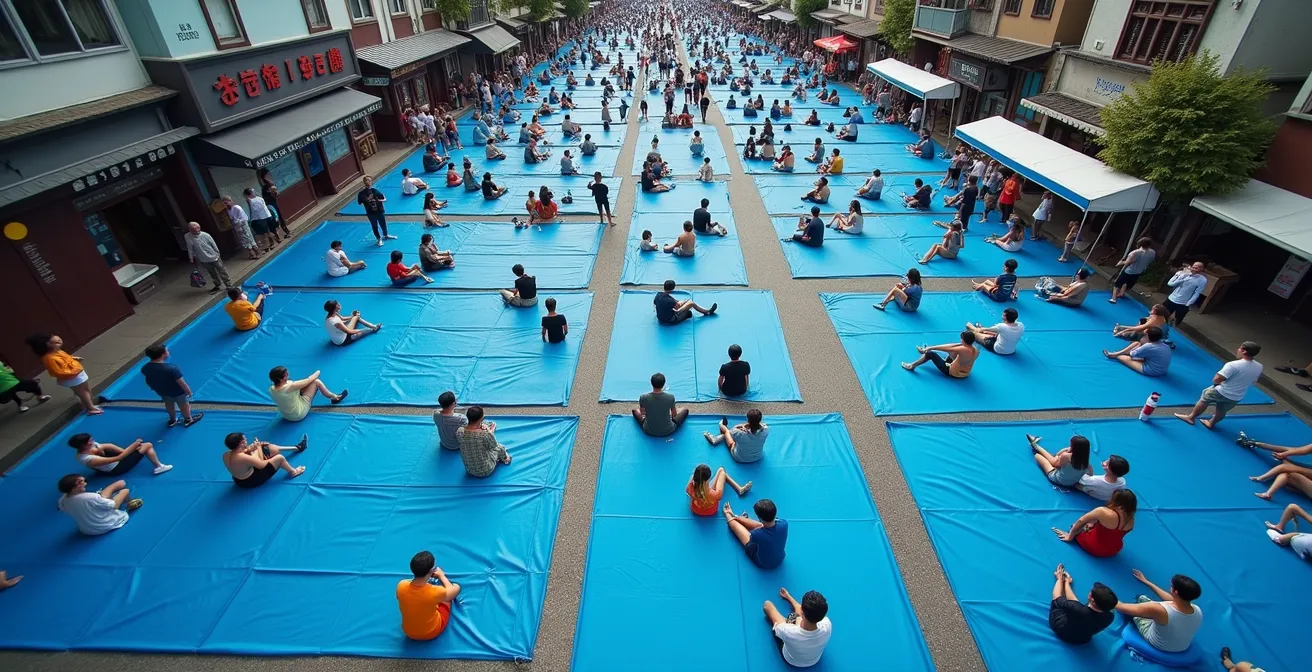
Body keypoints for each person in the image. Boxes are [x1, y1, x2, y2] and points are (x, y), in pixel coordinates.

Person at [1175, 341, 1262, 429]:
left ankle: (1191, 418)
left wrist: (1217, 384)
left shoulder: (1233, 365)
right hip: (1237, 396)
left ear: (1244, 351)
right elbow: (1253, 381)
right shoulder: (1259, 366)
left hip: (1222, 391)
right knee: (1222, 410)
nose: (1238, 350)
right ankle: (1211, 423)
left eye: (1240, 348)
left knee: (1204, 399)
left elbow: (1217, 379)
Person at [1114, 571, 1203, 654]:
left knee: (1133, 611)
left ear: (1175, 592)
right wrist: (1147, 582)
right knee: (1142, 598)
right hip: (1182, 646)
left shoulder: (1159, 610)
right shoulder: (1197, 609)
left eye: (1171, 585)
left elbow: (1121, 607)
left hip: (1160, 645)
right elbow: (1171, 599)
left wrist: (1103, 595)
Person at [26, 332, 100, 415]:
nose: (59, 343)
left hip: (75, 373)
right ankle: (90, 408)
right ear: (48, 345)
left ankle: (86, 403)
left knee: (84, 390)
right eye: (56, 342)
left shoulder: (56, 351)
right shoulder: (50, 358)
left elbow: (65, 357)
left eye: (59, 341)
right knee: (84, 391)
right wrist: (74, 371)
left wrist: (73, 359)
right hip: (72, 376)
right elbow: (58, 371)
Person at [397, 550, 461, 642]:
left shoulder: (401, 585)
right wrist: (442, 576)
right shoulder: (435, 591)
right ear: (431, 571)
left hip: (409, 632)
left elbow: (409, 588)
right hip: (431, 632)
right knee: (447, 598)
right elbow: (454, 591)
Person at [1053, 489, 1137, 557]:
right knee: (1092, 524)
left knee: (1076, 526)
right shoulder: (1131, 519)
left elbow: (1080, 521)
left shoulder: (1102, 511)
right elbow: (1113, 533)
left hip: (1094, 546)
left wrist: (1070, 537)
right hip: (1114, 549)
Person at [1047, 563, 1117, 645]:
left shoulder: (1077, 609)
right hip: (1082, 639)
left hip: (1061, 630)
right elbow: (1076, 605)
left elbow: (1057, 597)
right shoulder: (1110, 617)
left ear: (1091, 598)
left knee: (1056, 604)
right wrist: (1067, 583)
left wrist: (1060, 579)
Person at [764, 588, 832, 667]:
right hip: (814, 660)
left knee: (768, 605)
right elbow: (805, 612)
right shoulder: (827, 625)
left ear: (802, 613)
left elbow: (777, 628)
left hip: (791, 660)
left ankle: (790, 620)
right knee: (798, 618)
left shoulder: (788, 631)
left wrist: (793, 622)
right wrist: (788, 596)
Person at [56, 474, 142, 535]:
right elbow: (114, 505)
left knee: (104, 496)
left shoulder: (62, 500)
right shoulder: (90, 497)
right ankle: (130, 502)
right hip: (107, 525)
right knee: (125, 491)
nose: (84, 483)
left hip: (87, 530)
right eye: (81, 482)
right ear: (74, 488)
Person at [140, 344, 201, 428]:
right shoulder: (172, 368)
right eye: (167, 350)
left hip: (162, 392)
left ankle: (172, 419)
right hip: (178, 392)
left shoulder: (145, 368)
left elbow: (148, 380)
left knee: (169, 404)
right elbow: (181, 383)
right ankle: (188, 419)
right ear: (163, 354)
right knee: (184, 405)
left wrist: (155, 388)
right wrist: (188, 392)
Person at [223, 432, 307, 486]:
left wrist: (252, 449)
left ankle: (297, 448)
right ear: (241, 444)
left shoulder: (226, 454)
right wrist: (258, 447)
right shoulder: (243, 457)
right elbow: (262, 465)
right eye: (245, 440)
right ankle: (293, 472)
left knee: (267, 448)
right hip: (250, 481)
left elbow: (244, 454)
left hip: (240, 478)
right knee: (279, 458)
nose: (246, 440)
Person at [723, 498, 788, 569]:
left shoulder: (756, 534)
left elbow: (756, 533)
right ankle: (736, 517)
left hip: (763, 564)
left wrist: (731, 516)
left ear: (759, 518)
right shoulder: (784, 523)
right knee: (766, 526)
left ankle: (728, 514)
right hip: (780, 558)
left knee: (749, 543)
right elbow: (764, 525)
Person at [69, 432, 171, 476]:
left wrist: (129, 449)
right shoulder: (88, 459)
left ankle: (133, 451)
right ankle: (159, 466)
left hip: (108, 462)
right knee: (148, 445)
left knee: (137, 447)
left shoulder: (92, 446)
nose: (92, 441)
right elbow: (120, 457)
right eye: (89, 441)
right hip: (117, 468)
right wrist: (134, 445)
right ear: (83, 445)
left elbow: (108, 445)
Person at [269, 365, 345, 422]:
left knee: (302, 387)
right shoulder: (290, 386)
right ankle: (335, 398)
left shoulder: (271, 389)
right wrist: (318, 370)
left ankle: (334, 397)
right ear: (281, 378)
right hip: (299, 414)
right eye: (286, 375)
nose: (288, 375)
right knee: (316, 382)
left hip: (286, 415)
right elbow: (310, 379)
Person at [457, 406, 511, 477]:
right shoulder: (484, 434)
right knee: (500, 448)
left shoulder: (460, 431)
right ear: (481, 418)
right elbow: (494, 445)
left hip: (469, 469)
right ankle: (506, 459)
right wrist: (490, 431)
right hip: (485, 470)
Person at [902, 331, 979, 379]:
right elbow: (954, 346)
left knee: (930, 354)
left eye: (961, 338)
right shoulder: (975, 349)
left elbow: (946, 348)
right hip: (965, 373)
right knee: (953, 353)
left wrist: (931, 348)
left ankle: (911, 366)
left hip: (953, 373)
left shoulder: (963, 349)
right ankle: (925, 350)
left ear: (964, 340)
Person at [632, 372, 689, 436]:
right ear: (664, 384)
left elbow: (643, 413)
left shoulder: (643, 397)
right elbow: (674, 415)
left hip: (648, 430)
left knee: (635, 410)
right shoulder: (670, 397)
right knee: (685, 410)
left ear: (651, 383)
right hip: (668, 430)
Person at [686, 463, 752, 516]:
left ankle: (739, 489)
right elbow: (718, 496)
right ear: (707, 480)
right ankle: (739, 489)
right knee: (722, 471)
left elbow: (688, 491)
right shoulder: (714, 494)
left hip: (696, 509)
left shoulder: (689, 487)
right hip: (711, 511)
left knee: (721, 470)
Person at [184, 221, 233, 293]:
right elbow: (190, 247)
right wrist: (191, 257)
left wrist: (217, 254)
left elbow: (214, 245)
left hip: (214, 256)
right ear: (190, 230)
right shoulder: (187, 236)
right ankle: (217, 285)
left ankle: (229, 285)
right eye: (194, 230)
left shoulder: (206, 235)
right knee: (212, 272)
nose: (197, 231)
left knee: (222, 271)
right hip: (203, 258)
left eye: (198, 229)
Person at [1027, 434, 1091, 488]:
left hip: (1057, 479)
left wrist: (1064, 451)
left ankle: (1035, 445)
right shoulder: (1086, 462)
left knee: (1037, 456)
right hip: (1072, 483)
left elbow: (1054, 463)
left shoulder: (1067, 456)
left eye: (1071, 445)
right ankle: (1037, 447)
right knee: (1057, 459)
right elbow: (1090, 474)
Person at [1103, 326, 1172, 377]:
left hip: (1152, 370)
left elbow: (1132, 354)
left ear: (1147, 336)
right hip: (1162, 369)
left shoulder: (1149, 346)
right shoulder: (1164, 345)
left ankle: (1114, 355)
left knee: (1121, 357)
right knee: (1137, 343)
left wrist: (1140, 345)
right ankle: (1114, 354)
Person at [1110, 238, 1157, 303]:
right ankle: (1122, 293)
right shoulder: (1152, 252)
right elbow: (1151, 260)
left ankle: (1113, 298)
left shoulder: (1135, 252)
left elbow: (1127, 262)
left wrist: (1121, 262)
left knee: (1117, 284)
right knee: (1127, 282)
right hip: (1139, 271)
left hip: (1129, 271)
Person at [357, 176, 394, 247]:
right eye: (367, 181)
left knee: (383, 223)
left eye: (369, 181)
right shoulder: (361, 193)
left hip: (379, 210)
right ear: (364, 182)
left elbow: (383, 197)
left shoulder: (374, 190)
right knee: (374, 226)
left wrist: (381, 201)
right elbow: (359, 202)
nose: (368, 182)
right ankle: (379, 238)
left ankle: (386, 235)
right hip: (370, 212)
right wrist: (367, 203)